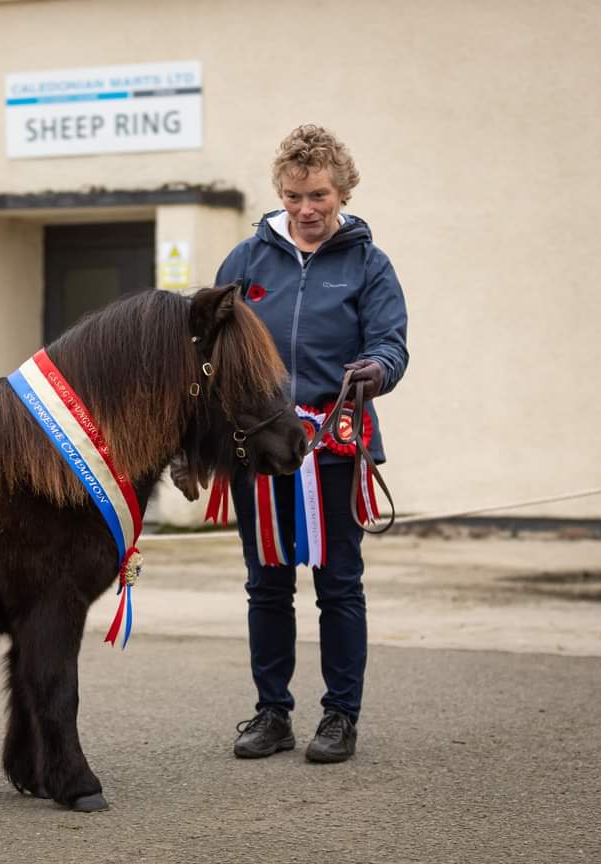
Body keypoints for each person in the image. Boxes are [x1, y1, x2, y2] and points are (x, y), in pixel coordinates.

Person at [178, 124, 408, 763]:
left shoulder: (369, 263)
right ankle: (272, 713)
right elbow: (203, 350)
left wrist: (376, 370)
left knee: (339, 585)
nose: (307, 210)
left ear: (343, 194)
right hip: (258, 447)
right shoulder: (246, 260)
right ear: (280, 193)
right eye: (294, 196)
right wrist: (191, 442)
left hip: (335, 445)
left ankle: (340, 718)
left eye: (320, 198)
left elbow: (391, 343)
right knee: (267, 584)